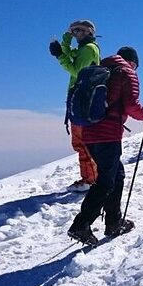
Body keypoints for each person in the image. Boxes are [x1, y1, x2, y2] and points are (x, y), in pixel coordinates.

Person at [67, 47, 143, 246]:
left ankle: (114, 221)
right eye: (136, 66)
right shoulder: (126, 72)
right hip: (108, 135)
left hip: (89, 132)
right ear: (133, 62)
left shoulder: (100, 69)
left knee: (117, 175)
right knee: (106, 181)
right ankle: (82, 224)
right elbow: (132, 106)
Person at [49, 19, 100, 191]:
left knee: (81, 142)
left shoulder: (88, 49)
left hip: (82, 101)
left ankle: (89, 180)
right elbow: (69, 52)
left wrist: (59, 56)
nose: (76, 33)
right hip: (81, 99)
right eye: (74, 30)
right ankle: (91, 177)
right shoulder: (84, 49)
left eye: (79, 30)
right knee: (81, 141)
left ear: (89, 32)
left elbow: (76, 71)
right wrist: (65, 39)